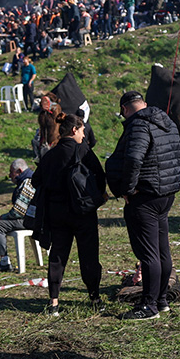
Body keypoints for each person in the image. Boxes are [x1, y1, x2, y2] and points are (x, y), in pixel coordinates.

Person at [107, 90, 180, 321]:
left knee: (149, 254)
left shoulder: (138, 124)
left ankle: (148, 306)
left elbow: (133, 159)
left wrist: (128, 189)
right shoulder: (166, 121)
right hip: (166, 194)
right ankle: (161, 301)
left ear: (124, 109)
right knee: (162, 250)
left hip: (146, 196)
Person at [28, 113, 106, 316]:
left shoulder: (50, 154)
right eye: (82, 131)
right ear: (74, 130)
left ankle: (54, 302)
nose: (83, 135)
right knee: (88, 255)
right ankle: (95, 297)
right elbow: (99, 175)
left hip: (57, 213)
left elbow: (36, 181)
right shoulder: (83, 150)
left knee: (57, 256)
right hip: (83, 212)